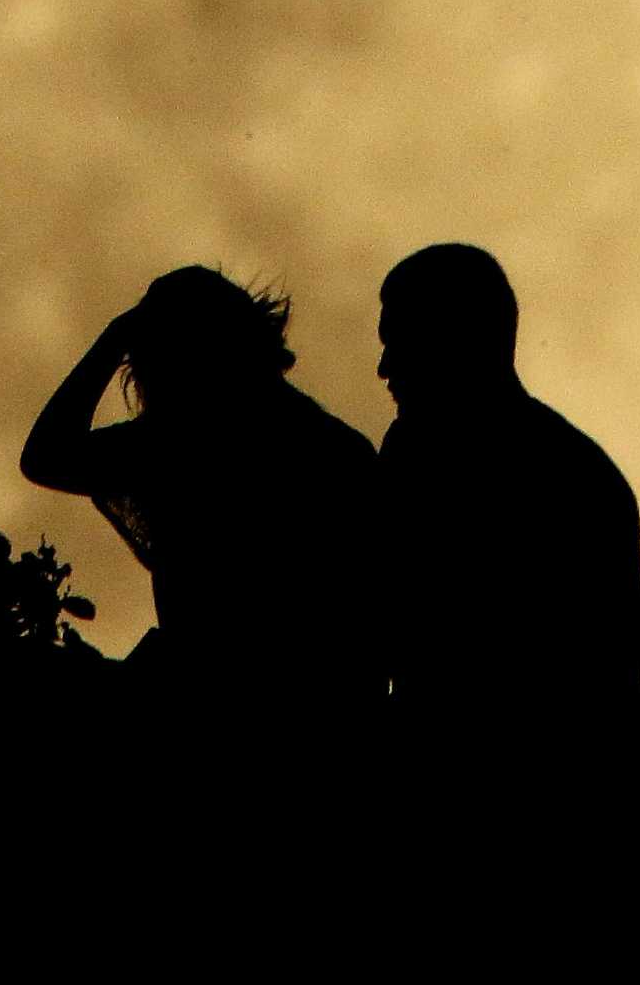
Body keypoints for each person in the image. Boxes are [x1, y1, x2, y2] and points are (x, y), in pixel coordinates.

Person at [20, 264, 386, 782]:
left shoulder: (178, 446)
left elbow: (47, 456)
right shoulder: (334, 446)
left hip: (236, 721)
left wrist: (115, 335)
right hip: (315, 723)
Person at [375, 242, 640, 781]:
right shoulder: (579, 472)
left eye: (400, 341)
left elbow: (610, 698)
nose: (384, 366)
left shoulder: (575, 482)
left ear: (453, 339)